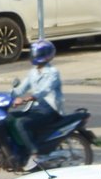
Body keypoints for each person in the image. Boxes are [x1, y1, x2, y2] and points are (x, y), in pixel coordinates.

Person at [6, 37, 61, 170]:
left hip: (49, 110)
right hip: (36, 108)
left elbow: (44, 90)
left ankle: (35, 154)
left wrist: (26, 99)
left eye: (37, 53)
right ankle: (20, 150)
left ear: (46, 55)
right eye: (33, 53)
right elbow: (21, 89)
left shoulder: (52, 73)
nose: (34, 55)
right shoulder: (33, 72)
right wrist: (9, 96)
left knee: (21, 123)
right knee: (9, 118)